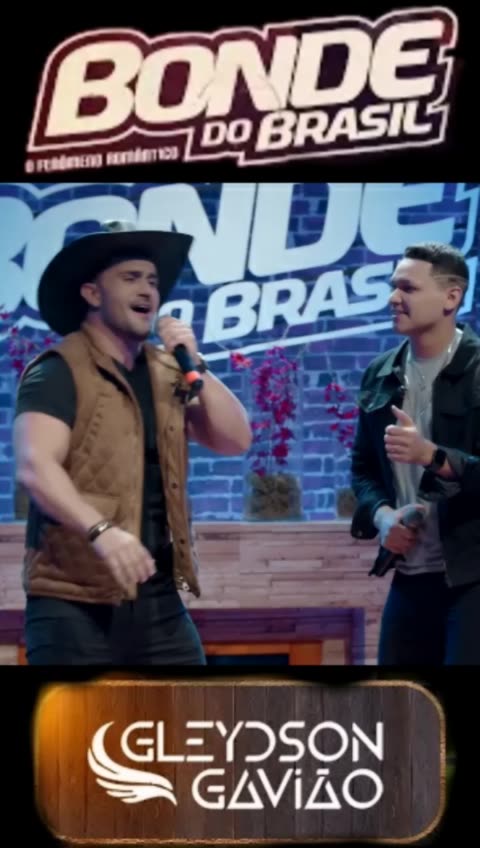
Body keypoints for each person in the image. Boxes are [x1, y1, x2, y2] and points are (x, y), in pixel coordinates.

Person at [13, 221, 252, 665]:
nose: (147, 290)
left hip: (159, 601)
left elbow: (235, 439)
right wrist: (101, 531)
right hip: (73, 602)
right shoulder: (58, 370)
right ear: (92, 293)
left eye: (153, 281)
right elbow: (35, 466)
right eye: (130, 278)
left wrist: (195, 362)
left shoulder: (167, 372)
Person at [350, 241, 480, 665]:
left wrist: (432, 457)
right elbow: (363, 469)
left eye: (407, 288)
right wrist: (382, 516)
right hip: (409, 577)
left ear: (451, 297)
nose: (393, 298)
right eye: (393, 286)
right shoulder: (380, 373)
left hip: (472, 578)